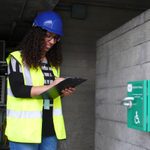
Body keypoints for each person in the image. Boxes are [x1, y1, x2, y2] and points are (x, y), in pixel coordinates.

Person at [5, 10, 75, 150]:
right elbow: (18, 90)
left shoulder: (53, 64)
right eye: (48, 36)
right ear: (36, 35)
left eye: (55, 38)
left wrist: (61, 92)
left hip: (49, 130)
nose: (51, 41)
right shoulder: (17, 58)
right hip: (24, 132)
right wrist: (51, 86)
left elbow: (48, 95)